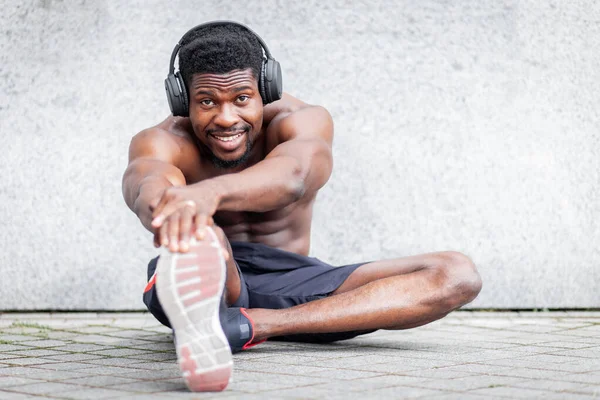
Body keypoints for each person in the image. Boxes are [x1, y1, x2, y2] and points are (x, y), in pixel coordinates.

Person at [122, 21, 482, 392]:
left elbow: (293, 176)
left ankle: (245, 325)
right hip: (214, 268)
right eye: (207, 102)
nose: (226, 118)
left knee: (456, 273)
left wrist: (208, 193)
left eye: (242, 98)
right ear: (182, 100)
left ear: (266, 90)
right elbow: (145, 183)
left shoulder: (302, 121)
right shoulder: (163, 140)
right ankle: (206, 292)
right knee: (205, 236)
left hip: (294, 280)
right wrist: (164, 206)